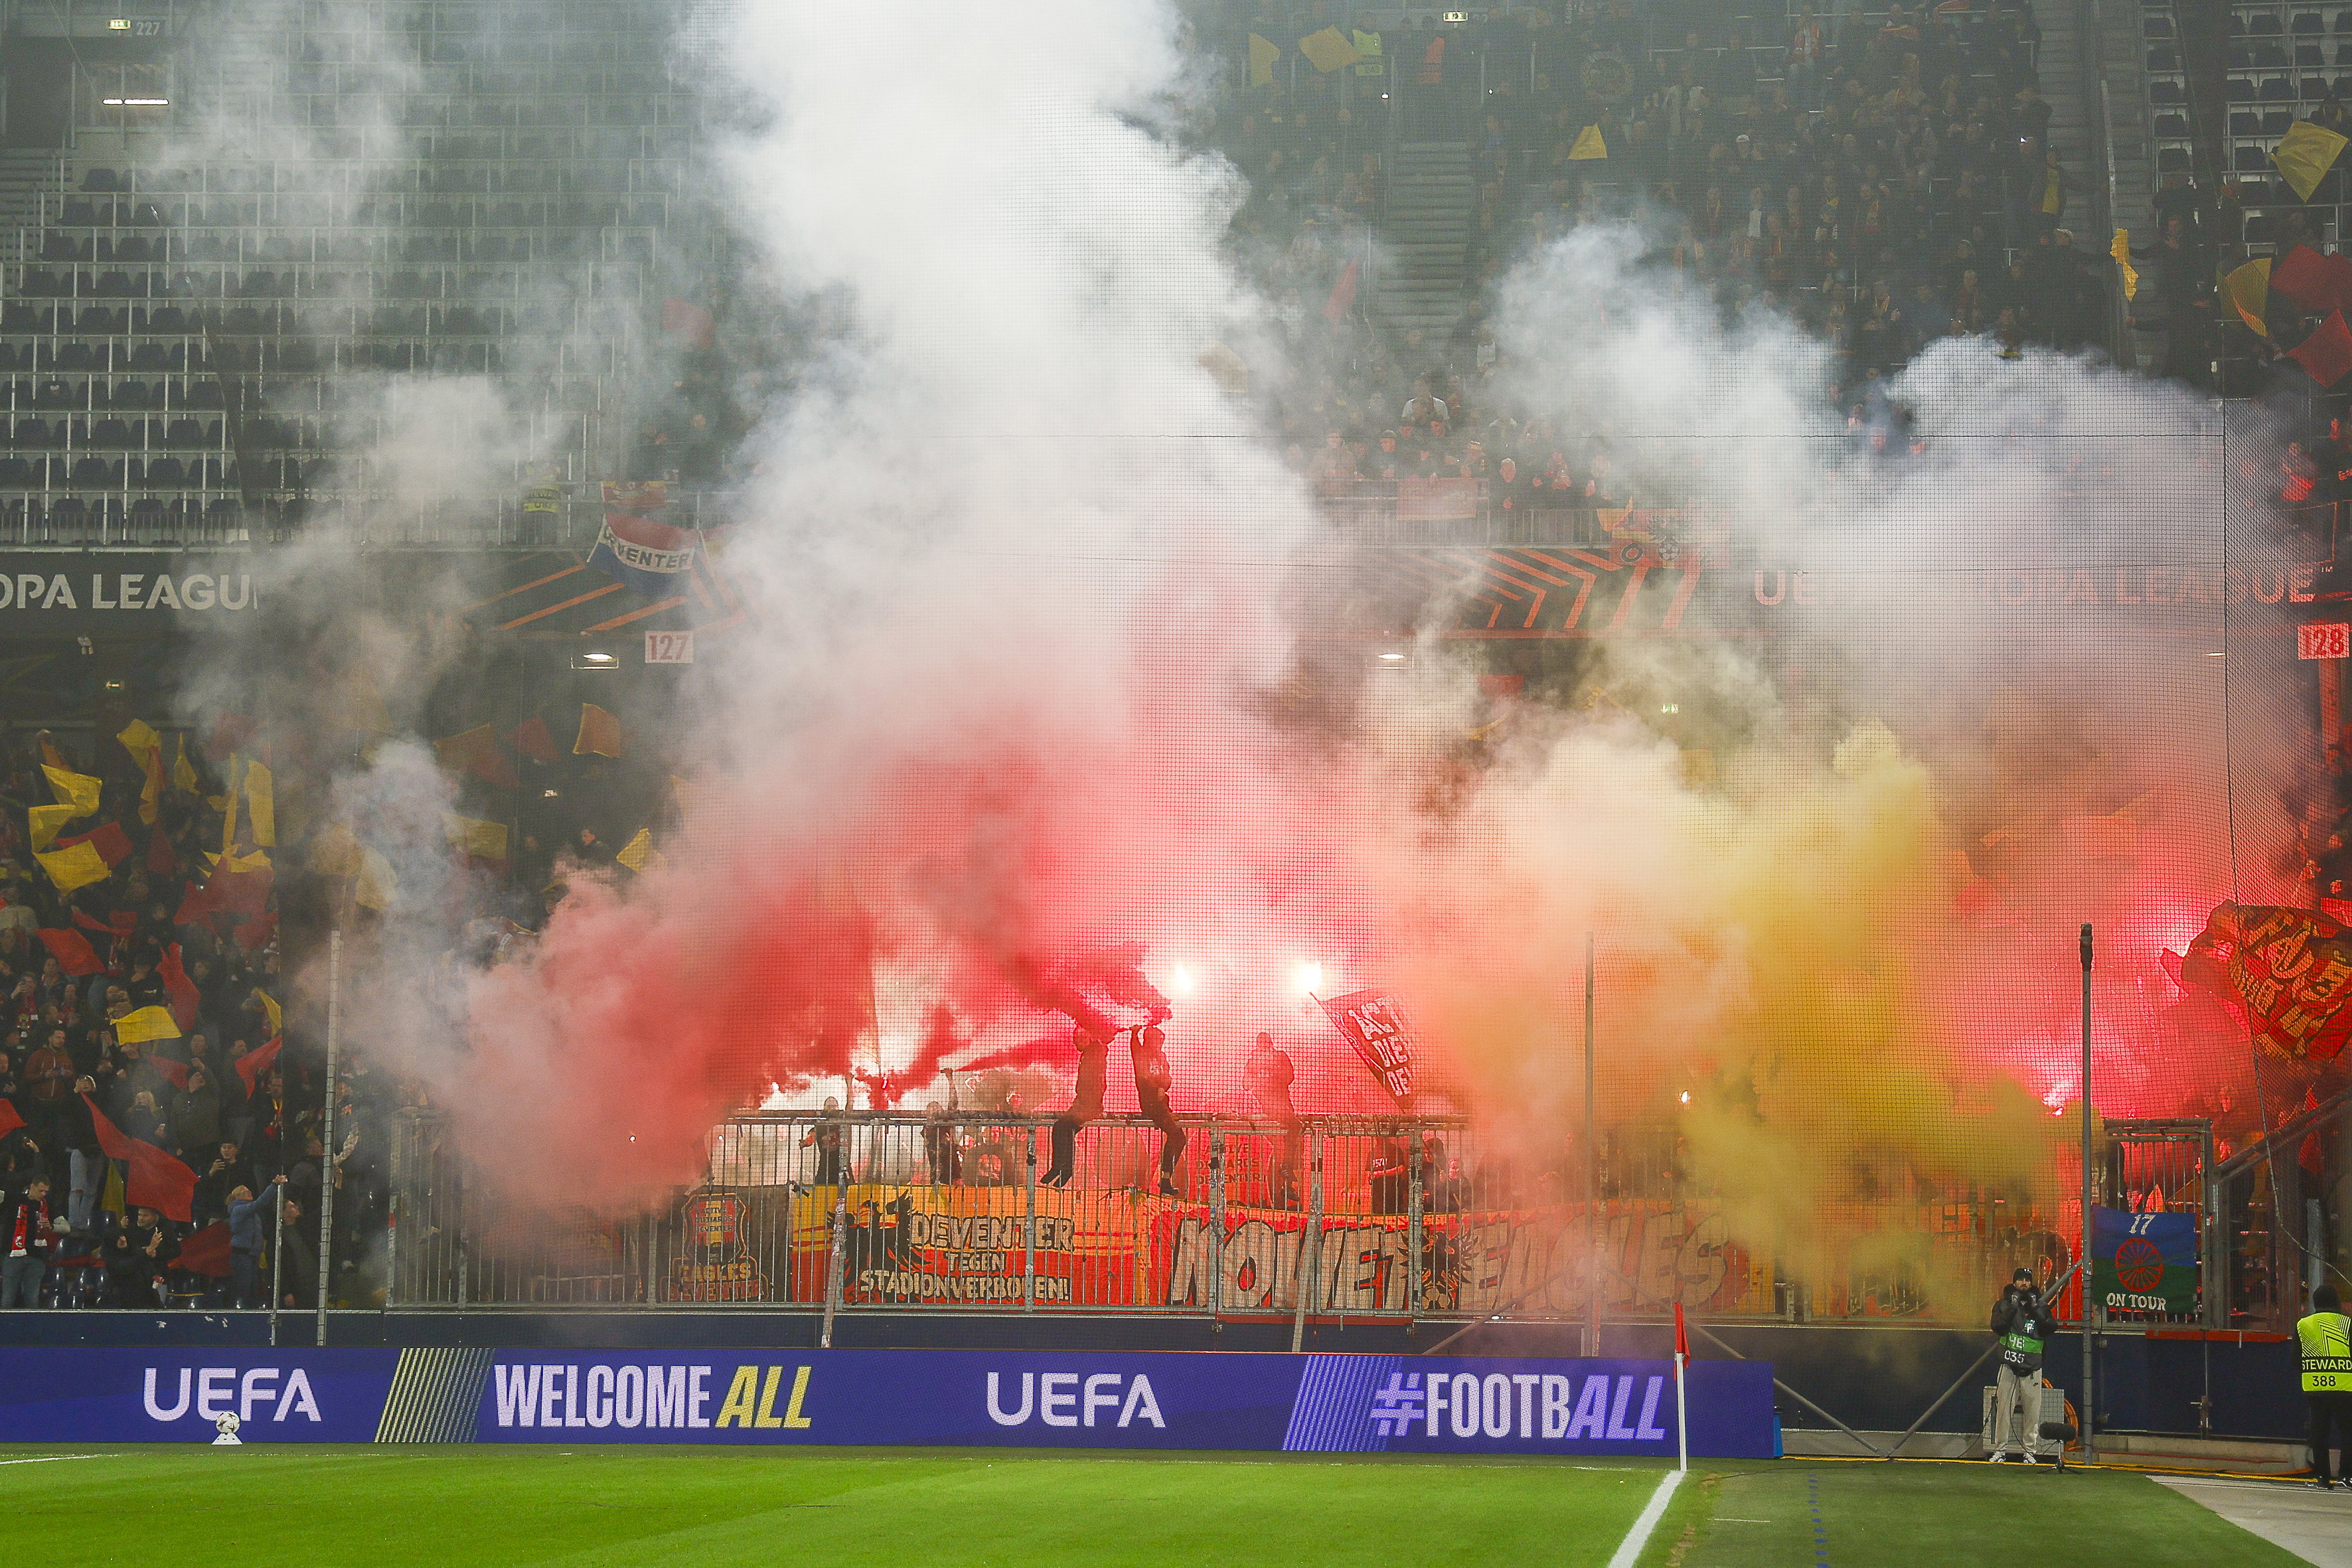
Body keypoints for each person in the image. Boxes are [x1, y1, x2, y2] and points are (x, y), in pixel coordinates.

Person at [1988, 1267, 2053, 1462]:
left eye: (2027, 1280)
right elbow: (1998, 1327)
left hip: (2032, 1368)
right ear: (2014, 1282)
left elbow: (2050, 1327)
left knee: (2032, 1413)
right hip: (2009, 1367)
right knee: (2003, 1411)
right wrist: (2013, 1307)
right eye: (2020, 1280)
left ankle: (2030, 1452)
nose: (2024, 1283)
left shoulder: (2040, 1305)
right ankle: (2000, 1451)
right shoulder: (2003, 1305)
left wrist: (2036, 1308)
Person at [2298, 1283, 2352, 1489]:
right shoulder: (2347, 1323)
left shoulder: (2303, 1324)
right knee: (2348, 1432)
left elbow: (2296, 1358)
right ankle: (2346, 1476)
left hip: (2315, 1388)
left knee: (2319, 1433)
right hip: (2345, 1388)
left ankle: (2322, 1478)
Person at [1044, 1023, 1109, 1188]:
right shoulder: (1089, 1053)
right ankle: (1061, 1168)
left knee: (1062, 1128)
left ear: (1090, 1037)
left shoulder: (1095, 1051)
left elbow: (1103, 1044)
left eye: (1081, 1037)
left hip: (1089, 1103)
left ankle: (1063, 1168)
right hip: (1084, 1102)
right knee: (1064, 1130)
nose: (1076, 1041)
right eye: (1075, 1037)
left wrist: (1093, 1103)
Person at [1245, 1032, 1303, 1206]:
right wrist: (1260, 1078)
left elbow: (1289, 1077)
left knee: (1291, 1140)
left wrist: (1270, 1072)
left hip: (1282, 1105)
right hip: (1271, 1108)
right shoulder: (1254, 1061)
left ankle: (1287, 1184)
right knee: (1288, 1137)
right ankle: (1285, 1179)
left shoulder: (1279, 1057)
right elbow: (1246, 1084)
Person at [1129, 1022, 1185, 1198]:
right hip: (1151, 1103)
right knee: (1177, 1136)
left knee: (1178, 1137)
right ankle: (1165, 1179)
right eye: (1157, 1040)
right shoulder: (1142, 1054)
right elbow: (1136, 1052)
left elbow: (1168, 1078)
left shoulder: (1161, 1056)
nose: (1160, 1043)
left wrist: (1162, 1087)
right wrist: (1135, 1033)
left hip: (1162, 1104)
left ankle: (1166, 1178)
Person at [226, 1176, 286, 1310]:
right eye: (244, 1192)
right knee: (244, 1289)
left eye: (249, 1191)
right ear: (237, 1197)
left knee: (253, 1290)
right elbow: (259, 1203)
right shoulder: (239, 1209)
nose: (249, 1193)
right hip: (242, 1255)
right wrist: (273, 1185)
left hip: (252, 1255)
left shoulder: (252, 1213)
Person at [1, 1176, 52, 1307]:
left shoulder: (46, 1205)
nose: (43, 1194)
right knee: (7, 1299)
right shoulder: (15, 1199)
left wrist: (51, 1227)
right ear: (32, 1187)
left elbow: (65, 1227)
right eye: (41, 1191)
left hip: (36, 1258)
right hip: (13, 1256)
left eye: (46, 1192)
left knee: (32, 1301)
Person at [802, 1097, 845, 1188]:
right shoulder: (820, 1127)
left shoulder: (843, 1125)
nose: (832, 1109)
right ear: (824, 1109)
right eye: (829, 1106)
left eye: (834, 1106)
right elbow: (810, 1139)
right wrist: (805, 1142)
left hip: (840, 1169)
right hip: (825, 1168)